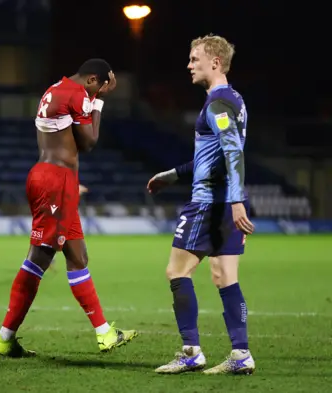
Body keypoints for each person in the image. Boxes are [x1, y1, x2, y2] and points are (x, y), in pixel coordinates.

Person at [0, 59, 139, 357]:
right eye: (100, 85)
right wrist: (97, 104)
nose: (100, 91)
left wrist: (69, 185)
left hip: (53, 179)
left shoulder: (55, 89)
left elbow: (62, 140)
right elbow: (89, 142)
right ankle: (4, 338)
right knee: (39, 257)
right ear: (92, 80)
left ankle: (104, 332)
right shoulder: (78, 94)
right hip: (55, 182)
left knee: (77, 255)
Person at [147, 34, 256, 375]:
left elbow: (233, 153)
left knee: (177, 271)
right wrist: (174, 174)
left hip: (210, 203)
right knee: (225, 277)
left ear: (215, 62)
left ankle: (191, 350)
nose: (189, 65)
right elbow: (216, 156)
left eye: (195, 59)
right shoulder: (234, 99)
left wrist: (237, 202)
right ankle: (241, 354)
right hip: (224, 202)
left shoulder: (218, 103)